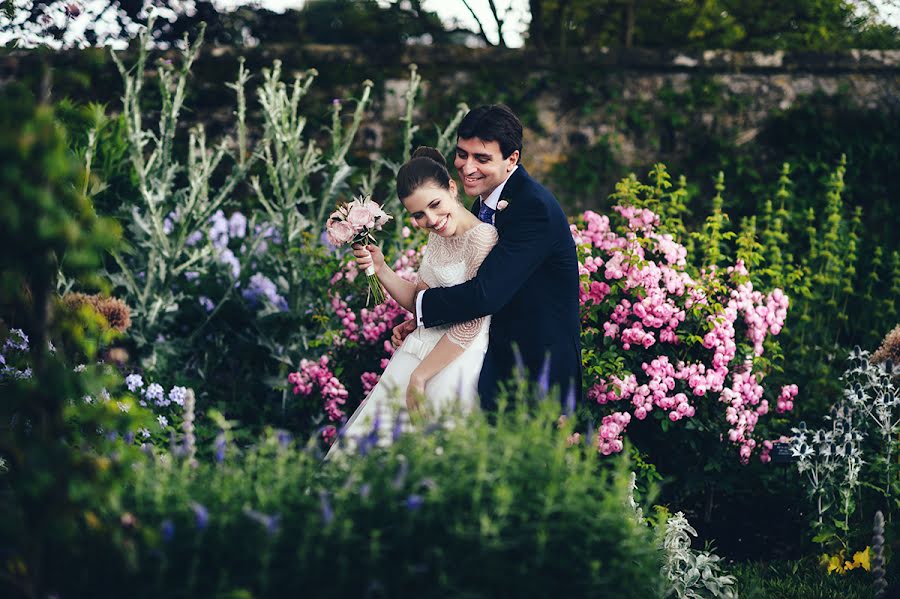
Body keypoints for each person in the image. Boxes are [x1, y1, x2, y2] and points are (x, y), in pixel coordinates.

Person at [395, 104, 582, 410]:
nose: (467, 167)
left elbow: (485, 294)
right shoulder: (483, 204)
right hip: (496, 365)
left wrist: (422, 308)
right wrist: (425, 322)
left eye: (482, 158)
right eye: (462, 154)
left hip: (536, 371)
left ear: (512, 159)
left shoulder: (533, 208)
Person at [327, 146, 498, 456]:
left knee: (432, 454)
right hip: (417, 351)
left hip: (455, 360)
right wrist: (381, 268)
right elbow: (422, 300)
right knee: (371, 447)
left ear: (451, 187)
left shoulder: (482, 237)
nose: (430, 219)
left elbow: (473, 320)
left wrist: (420, 376)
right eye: (418, 214)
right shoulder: (437, 236)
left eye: (435, 205)